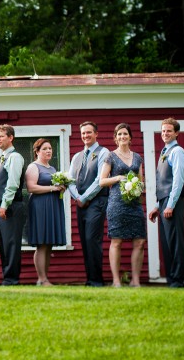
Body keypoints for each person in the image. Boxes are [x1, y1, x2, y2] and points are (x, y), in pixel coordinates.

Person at [99, 123, 146, 287]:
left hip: (134, 204)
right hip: (117, 203)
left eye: (125, 134)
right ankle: (116, 281)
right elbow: (102, 181)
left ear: (130, 137)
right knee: (117, 242)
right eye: (119, 134)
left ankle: (135, 280)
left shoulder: (138, 157)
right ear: (115, 138)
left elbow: (142, 182)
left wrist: (137, 187)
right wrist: (118, 178)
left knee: (139, 242)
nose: (122, 137)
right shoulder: (110, 157)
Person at [68, 121, 110, 287]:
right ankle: (90, 279)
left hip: (96, 202)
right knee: (85, 241)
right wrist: (77, 197)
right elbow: (70, 180)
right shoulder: (77, 156)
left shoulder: (103, 152)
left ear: (96, 134)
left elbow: (100, 179)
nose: (86, 136)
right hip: (80, 203)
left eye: (89, 132)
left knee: (92, 239)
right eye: (83, 133)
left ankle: (96, 280)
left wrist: (84, 198)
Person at [149, 118, 184, 288]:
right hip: (164, 201)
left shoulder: (177, 151)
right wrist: (158, 206)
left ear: (176, 133)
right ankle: (171, 279)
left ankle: (178, 279)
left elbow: (178, 181)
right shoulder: (165, 151)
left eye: (169, 131)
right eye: (163, 131)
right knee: (166, 241)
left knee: (175, 240)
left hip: (174, 201)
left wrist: (170, 204)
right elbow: (163, 182)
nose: (165, 134)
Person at [25, 138, 66, 286]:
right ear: (37, 151)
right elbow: (31, 187)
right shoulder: (33, 167)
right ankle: (41, 279)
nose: (48, 151)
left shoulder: (52, 169)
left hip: (53, 205)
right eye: (45, 149)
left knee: (49, 244)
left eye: (50, 148)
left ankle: (45, 278)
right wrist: (53, 188)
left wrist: (61, 187)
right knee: (42, 243)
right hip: (40, 207)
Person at [0, 124, 26, 286]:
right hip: (2, 206)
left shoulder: (15, 157)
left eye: (1, 136)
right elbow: (1, 184)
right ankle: (7, 277)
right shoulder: (4, 157)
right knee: (5, 244)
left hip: (12, 206)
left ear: (10, 138)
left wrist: (4, 205)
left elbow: (12, 183)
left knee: (11, 243)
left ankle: (12, 279)